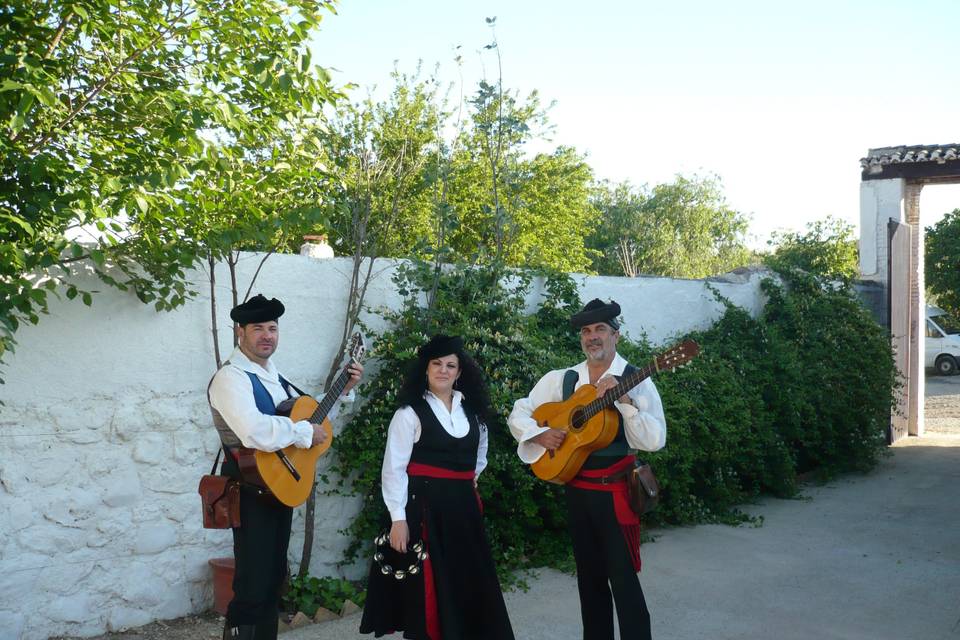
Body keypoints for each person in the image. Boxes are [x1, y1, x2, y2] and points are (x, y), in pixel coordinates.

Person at [507, 299, 666, 640]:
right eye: (586, 331)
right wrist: (540, 433)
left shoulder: (635, 379)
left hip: (616, 494)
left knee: (623, 582)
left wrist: (625, 404)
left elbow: (654, 439)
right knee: (589, 581)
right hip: (577, 492)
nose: (593, 337)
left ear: (616, 336)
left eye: (600, 330)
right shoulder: (563, 380)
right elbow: (520, 411)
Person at [207, 294, 363, 640]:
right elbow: (255, 430)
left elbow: (305, 418)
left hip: (276, 488)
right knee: (251, 582)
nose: (267, 335)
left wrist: (343, 389)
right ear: (240, 332)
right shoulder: (231, 378)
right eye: (258, 328)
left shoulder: (273, 378)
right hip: (248, 491)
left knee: (273, 578)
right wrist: (305, 430)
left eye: (273, 328)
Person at [359, 334, 515, 640]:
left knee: (466, 584)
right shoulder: (408, 415)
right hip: (424, 513)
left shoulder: (474, 416)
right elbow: (393, 470)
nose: (443, 370)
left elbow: (478, 459)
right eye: (437, 364)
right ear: (426, 370)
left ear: (459, 373)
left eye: (450, 365)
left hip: (464, 513)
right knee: (428, 592)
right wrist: (398, 520)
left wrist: (462, 487)